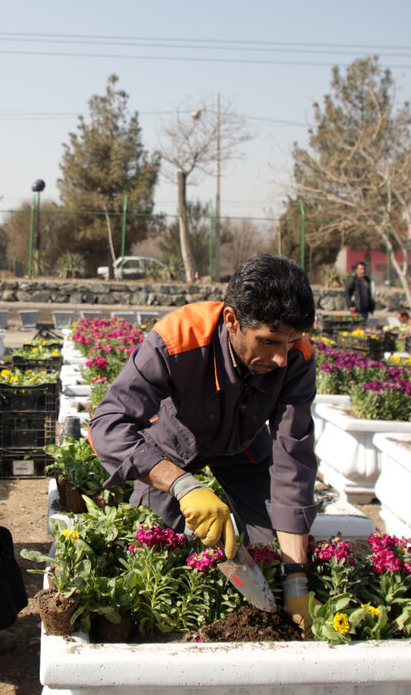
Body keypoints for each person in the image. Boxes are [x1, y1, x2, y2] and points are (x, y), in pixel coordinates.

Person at [89, 253, 319, 635]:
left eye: (291, 341)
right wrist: (182, 485)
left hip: (245, 449)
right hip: (174, 446)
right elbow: (107, 425)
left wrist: (296, 579)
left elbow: (293, 457)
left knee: (269, 555)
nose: (281, 357)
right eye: (269, 341)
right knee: (159, 553)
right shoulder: (178, 337)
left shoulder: (296, 355)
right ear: (232, 320)